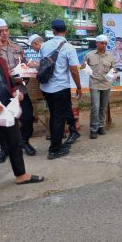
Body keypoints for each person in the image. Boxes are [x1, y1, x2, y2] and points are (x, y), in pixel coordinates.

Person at [0, 25, 44, 185]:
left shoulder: (0, 60)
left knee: (15, 141)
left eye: (1, 41)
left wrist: (15, 92)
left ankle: (21, 175)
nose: (0, 44)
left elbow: (8, 82)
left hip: (6, 108)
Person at [0, 18, 36, 162]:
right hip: (0, 95)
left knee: (27, 118)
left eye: (6, 30)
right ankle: (4, 148)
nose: (4, 33)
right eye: (0, 31)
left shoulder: (17, 48)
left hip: (19, 91)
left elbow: (25, 68)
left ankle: (24, 141)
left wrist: (25, 75)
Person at [40, 19, 82, 159]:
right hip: (60, 88)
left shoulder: (44, 46)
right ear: (66, 31)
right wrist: (79, 87)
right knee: (59, 119)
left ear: (53, 31)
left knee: (54, 116)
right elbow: (74, 71)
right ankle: (54, 150)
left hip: (46, 88)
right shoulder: (69, 47)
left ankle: (55, 142)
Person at [82, 34, 115, 139]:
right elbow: (83, 67)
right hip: (94, 84)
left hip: (106, 84)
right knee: (95, 107)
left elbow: (114, 68)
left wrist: (114, 72)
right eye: (102, 43)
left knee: (103, 107)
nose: (104, 45)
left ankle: (101, 126)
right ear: (97, 43)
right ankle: (93, 129)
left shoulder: (110, 55)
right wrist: (83, 67)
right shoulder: (89, 55)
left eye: (105, 43)